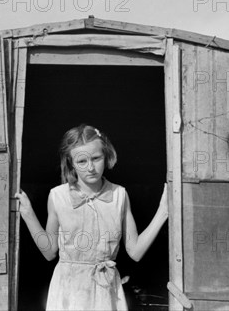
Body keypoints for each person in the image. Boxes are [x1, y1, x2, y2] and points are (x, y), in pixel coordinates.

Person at [15, 124, 168, 310]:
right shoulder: (58, 196)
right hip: (69, 289)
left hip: (106, 288)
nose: (91, 168)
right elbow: (49, 252)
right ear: (71, 163)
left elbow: (135, 251)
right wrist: (28, 213)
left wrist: (163, 212)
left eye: (96, 158)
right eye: (81, 161)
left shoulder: (120, 195)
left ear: (106, 156)